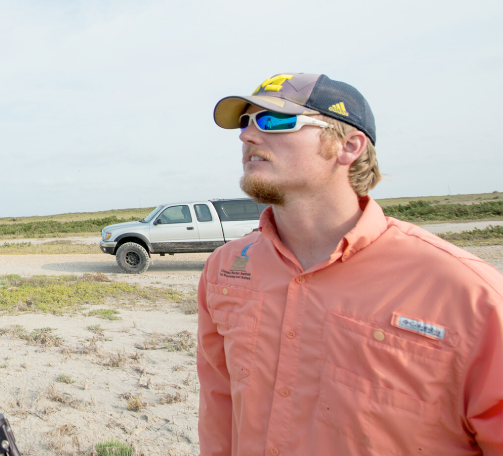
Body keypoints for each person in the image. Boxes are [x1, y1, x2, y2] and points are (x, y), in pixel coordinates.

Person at [197, 73, 503, 455]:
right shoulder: (225, 267)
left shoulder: (470, 294)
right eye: (245, 122)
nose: (247, 135)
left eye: (275, 121)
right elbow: (218, 404)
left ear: (348, 146)